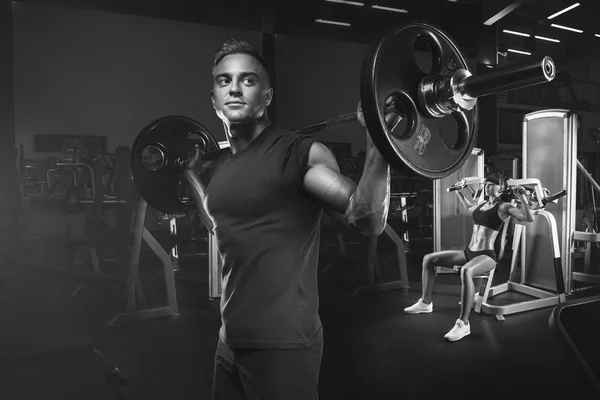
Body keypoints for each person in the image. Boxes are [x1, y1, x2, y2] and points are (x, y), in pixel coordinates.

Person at [183, 38, 400, 400]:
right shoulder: (217, 166)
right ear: (213, 99)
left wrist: (380, 139)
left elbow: (366, 221)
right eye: (224, 81)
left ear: (267, 96)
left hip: (282, 344)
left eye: (248, 80)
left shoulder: (300, 154)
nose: (234, 88)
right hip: (229, 341)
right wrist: (193, 176)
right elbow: (216, 224)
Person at [403, 172, 535, 342]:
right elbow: (469, 207)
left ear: (501, 188)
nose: (488, 186)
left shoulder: (504, 206)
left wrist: (522, 197)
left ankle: (463, 323)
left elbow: (528, 218)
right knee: (429, 259)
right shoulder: (481, 205)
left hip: (487, 255)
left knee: (466, 271)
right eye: (487, 183)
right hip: (469, 252)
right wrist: (459, 191)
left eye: (492, 184)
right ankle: (425, 303)